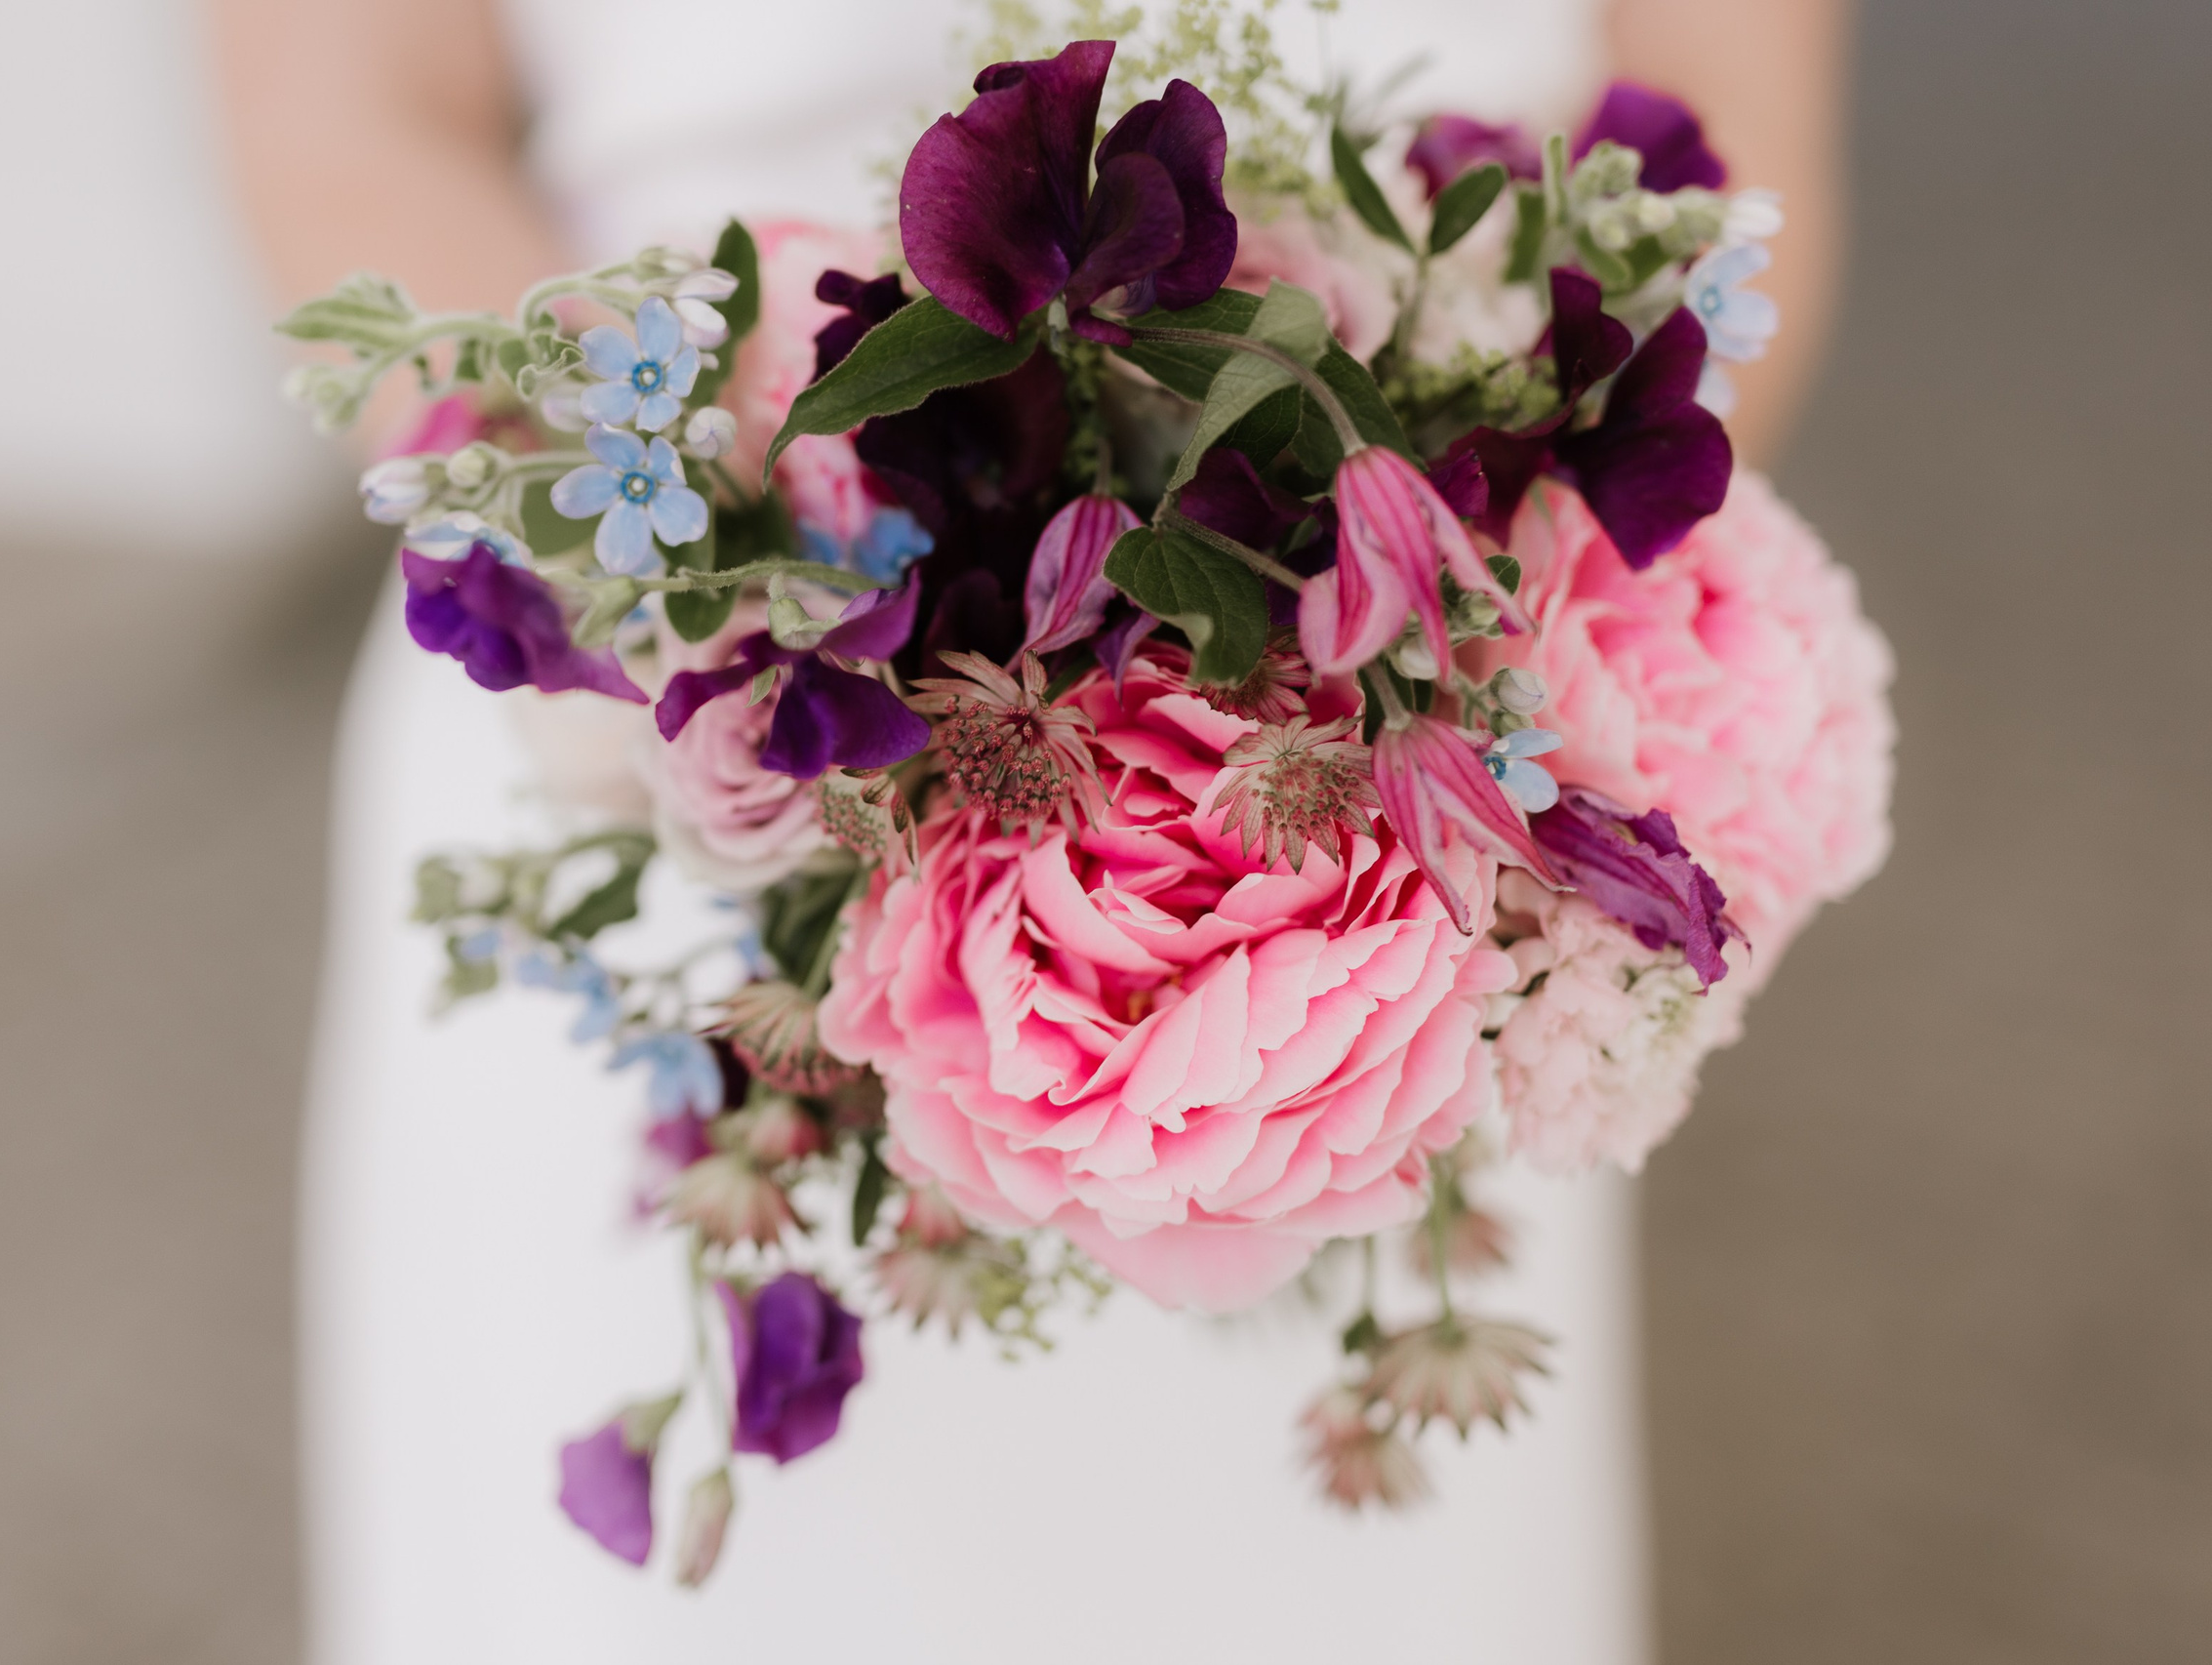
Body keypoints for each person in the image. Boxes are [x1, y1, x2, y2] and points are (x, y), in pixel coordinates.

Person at [214, 3, 1851, 1660]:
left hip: (1424, 770)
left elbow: (1730, 136)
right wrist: (697, 582)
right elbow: (352, 117)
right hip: (681, 702)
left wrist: (1455, 631)